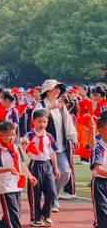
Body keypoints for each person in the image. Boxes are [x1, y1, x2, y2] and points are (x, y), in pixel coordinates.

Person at [35, 80, 78, 210]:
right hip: (45, 149)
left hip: (61, 147)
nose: (57, 91)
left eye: (59, 89)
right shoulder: (41, 104)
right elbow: (35, 119)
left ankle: (53, 195)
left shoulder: (61, 105)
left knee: (65, 172)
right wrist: (48, 109)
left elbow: (68, 123)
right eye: (55, 88)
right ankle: (52, 200)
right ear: (47, 91)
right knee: (48, 175)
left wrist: (73, 138)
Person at [0, 121, 36, 228]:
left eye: (13, 135)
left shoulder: (17, 148)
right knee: (13, 214)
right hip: (5, 186)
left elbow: (22, 164)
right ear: (0, 135)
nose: (11, 138)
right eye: (8, 135)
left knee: (15, 214)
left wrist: (30, 176)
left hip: (17, 184)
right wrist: (8, 169)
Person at [24, 110, 60, 226]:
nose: (42, 124)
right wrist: (26, 143)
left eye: (44, 122)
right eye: (39, 122)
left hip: (47, 165)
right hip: (35, 165)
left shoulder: (49, 136)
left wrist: (56, 168)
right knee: (35, 193)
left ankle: (46, 214)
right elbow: (26, 146)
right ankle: (36, 217)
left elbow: (53, 153)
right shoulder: (30, 135)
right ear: (33, 122)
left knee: (52, 192)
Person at [81, 116, 107, 228]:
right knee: (103, 224)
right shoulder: (99, 148)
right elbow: (99, 168)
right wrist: (91, 128)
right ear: (102, 130)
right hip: (100, 185)